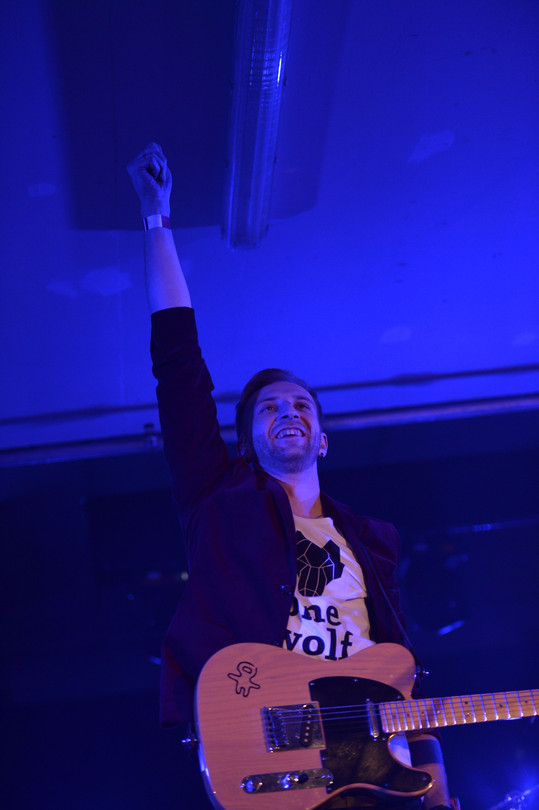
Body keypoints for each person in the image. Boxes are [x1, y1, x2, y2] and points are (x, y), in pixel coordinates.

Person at [127, 143, 453, 809]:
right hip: (275, 750)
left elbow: (400, 673)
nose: (289, 413)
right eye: (270, 408)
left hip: (375, 768)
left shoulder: (372, 541)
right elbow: (178, 367)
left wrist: (438, 786)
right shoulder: (218, 498)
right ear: (246, 442)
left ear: (323, 438)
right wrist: (156, 219)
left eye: (302, 406)